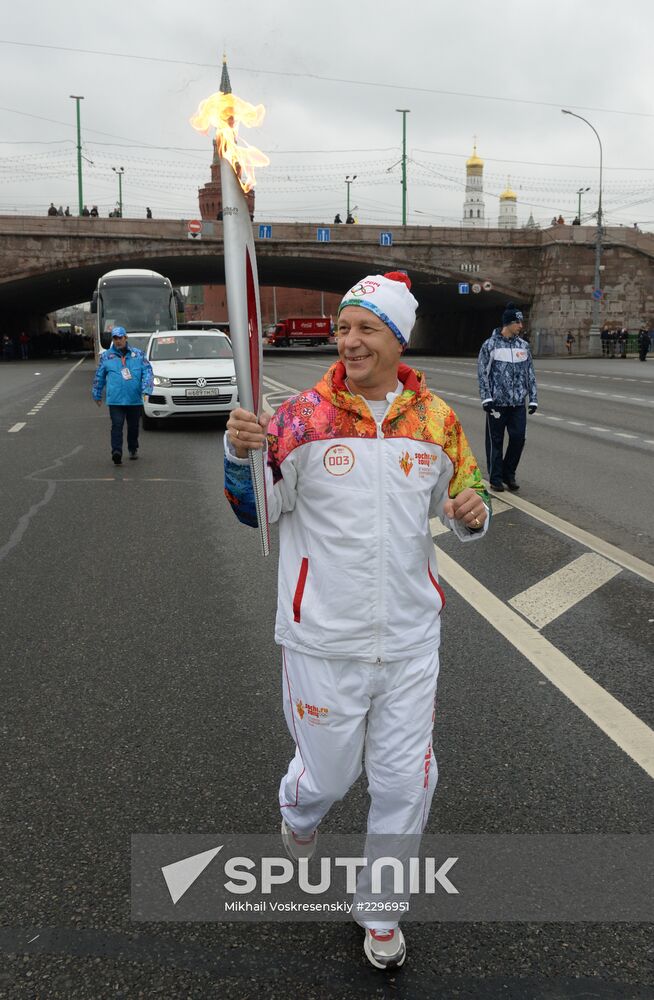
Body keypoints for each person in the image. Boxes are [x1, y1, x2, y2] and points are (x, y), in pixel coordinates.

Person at [224, 272, 490, 971]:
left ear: (399, 338)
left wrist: (473, 513)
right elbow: (256, 512)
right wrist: (239, 456)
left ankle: (380, 912)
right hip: (323, 639)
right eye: (344, 328)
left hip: (409, 640)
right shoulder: (302, 418)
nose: (350, 341)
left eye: (366, 328)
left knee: (406, 783)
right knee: (328, 777)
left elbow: (468, 493)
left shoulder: (435, 421)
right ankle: (299, 810)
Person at [477, 302, 538, 492]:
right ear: (508, 323)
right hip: (496, 404)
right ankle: (496, 478)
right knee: (495, 441)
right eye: (518, 322)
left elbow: (530, 373)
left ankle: (508, 473)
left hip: (517, 403)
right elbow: (482, 373)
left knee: (518, 438)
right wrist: (486, 398)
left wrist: (533, 398)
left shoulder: (523, 346)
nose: (521, 325)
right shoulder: (490, 345)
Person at [91, 326, 153, 464]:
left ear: (125, 338)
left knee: (133, 427)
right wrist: (97, 394)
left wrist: (146, 389)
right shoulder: (106, 356)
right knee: (117, 425)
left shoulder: (138, 354)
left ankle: (133, 448)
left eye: (120, 338)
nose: (118, 341)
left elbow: (148, 371)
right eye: (115, 338)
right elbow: (99, 376)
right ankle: (116, 451)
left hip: (134, 399)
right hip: (115, 400)